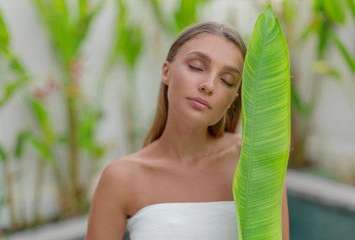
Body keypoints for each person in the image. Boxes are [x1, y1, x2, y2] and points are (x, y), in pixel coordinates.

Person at [85, 21, 289, 240]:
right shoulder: (121, 178)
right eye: (197, 67)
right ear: (166, 72)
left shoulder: (253, 160)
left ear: (233, 100)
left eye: (226, 80)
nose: (209, 85)